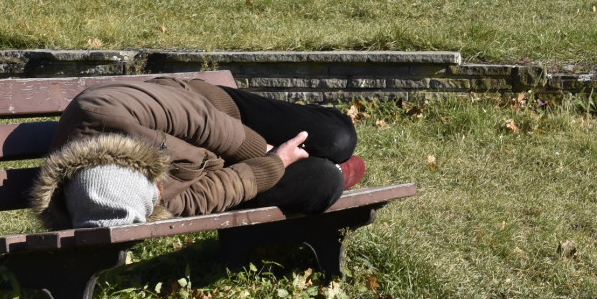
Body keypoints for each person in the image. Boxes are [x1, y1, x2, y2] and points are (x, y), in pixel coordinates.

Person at [29, 76, 366, 229]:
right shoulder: (141, 204)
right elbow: (201, 199)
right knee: (324, 182)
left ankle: (337, 157)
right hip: (222, 167)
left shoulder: (100, 109)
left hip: (222, 114)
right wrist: (272, 164)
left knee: (338, 138)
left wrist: (260, 148)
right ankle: (339, 171)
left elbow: (200, 121)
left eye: (155, 190)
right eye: (155, 198)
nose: (160, 193)